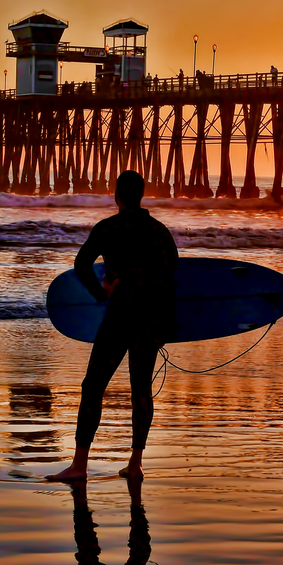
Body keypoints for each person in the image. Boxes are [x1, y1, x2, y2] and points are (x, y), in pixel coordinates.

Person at [51, 170, 178, 481]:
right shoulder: (159, 231)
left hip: (119, 318)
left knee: (93, 386)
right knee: (141, 390)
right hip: (148, 321)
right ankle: (135, 463)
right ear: (142, 194)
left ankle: (79, 465)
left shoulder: (108, 228)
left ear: (116, 194)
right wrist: (165, 325)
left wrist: (100, 293)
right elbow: (171, 281)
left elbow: (81, 264)